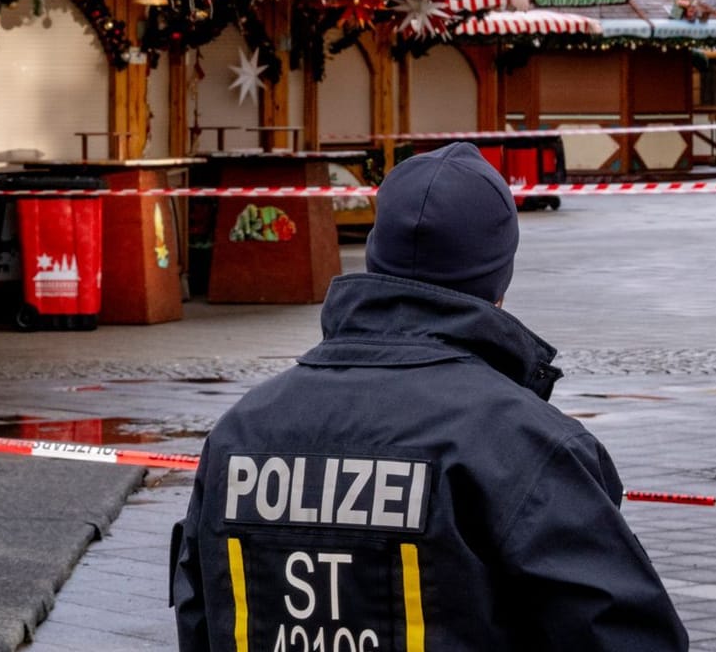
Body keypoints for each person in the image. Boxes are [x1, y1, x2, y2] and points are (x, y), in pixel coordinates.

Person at [171, 144, 687, 651]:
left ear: (376, 257)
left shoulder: (242, 430)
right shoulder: (523, 445)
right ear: (497, 281)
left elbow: (200, 617)